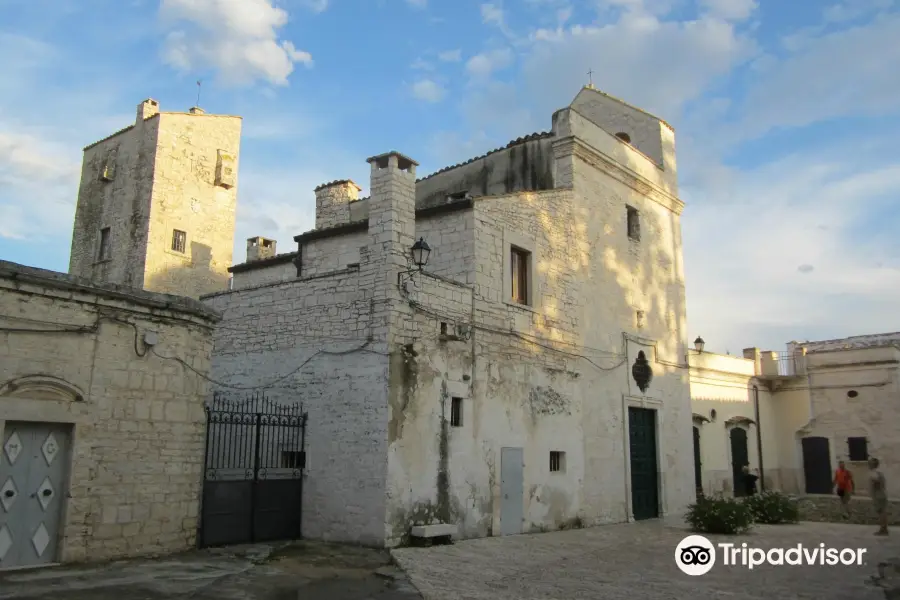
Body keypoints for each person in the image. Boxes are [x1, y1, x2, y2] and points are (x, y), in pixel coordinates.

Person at [868, 457, 889, 536]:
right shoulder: (879, 472)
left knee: (881, 512)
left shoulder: (875, 472)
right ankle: (884, 528)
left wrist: (874, 484)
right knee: (882, 512)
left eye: (870, 463)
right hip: (881, 494)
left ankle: (883, 529)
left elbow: (877, 481)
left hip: (878, 495)